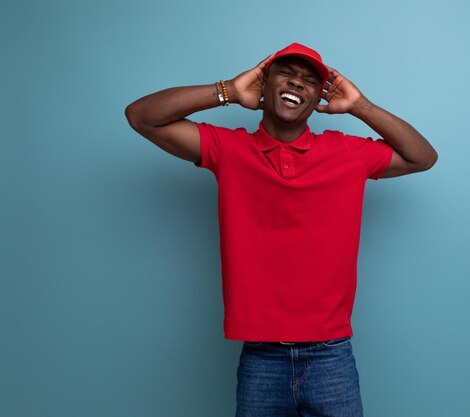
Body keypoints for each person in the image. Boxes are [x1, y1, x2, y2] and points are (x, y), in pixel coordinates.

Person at [125, 42, 437, 417]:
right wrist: (228, 91)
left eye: (309, 80)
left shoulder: (347, 153)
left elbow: (423, 157)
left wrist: (359, 106)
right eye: (287, 73)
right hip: (261, 356)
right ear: (265, 83)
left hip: (331, 354)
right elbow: (141, 116)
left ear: (317, 97)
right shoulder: (229, 149)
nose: (297, 83)